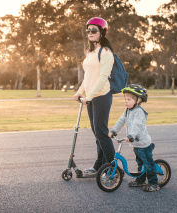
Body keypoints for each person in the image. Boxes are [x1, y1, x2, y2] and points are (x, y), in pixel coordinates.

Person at [74, 17, 115, 176]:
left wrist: (89, 96)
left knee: (102, 133)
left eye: (94, 30)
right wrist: (80, 92)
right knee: (97, 133)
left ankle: (112, 168)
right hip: (90, 97)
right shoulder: (90, 52)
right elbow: (88, 76)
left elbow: (103, 77)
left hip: (101, 97)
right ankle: (99, 164)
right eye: (88, 30)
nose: (90, 33)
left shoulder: (106, 53)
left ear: (102, 32)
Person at [108, 84, 160, 192]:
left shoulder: (139, 112)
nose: (126, 101)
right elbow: (121, 121)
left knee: (148, 164)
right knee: (140, 164)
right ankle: (140, 181)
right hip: (135, 144)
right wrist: (114, 131)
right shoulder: (128, 110)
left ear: (138, 100)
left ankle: (154, 183)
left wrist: (131, 135)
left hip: (143, 144)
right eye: (125, 99)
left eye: (129, 99)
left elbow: (137, 125)